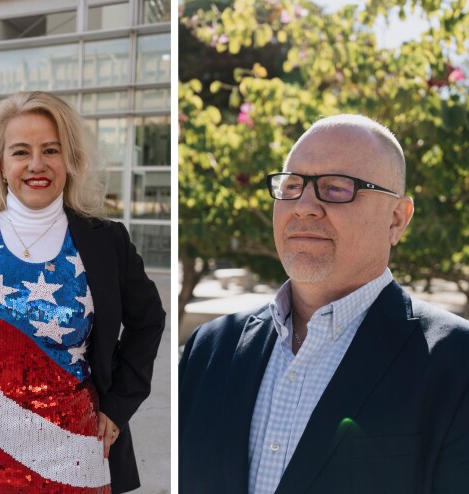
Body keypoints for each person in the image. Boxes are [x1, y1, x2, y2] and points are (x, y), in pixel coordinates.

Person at [179, 114, 469, 493]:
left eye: (336, 188)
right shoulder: (208, 349)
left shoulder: (456, 363)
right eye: (292, 185)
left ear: (397, 219)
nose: (304, 206)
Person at [0, 91, 166, 493]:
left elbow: (149, 320)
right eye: (21, 151)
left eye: (51, 150)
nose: (36, 165)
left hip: (75, 455)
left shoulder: (105, 241)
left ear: (71, 159)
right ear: (1, 163)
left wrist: (119, 406)